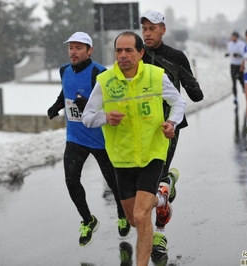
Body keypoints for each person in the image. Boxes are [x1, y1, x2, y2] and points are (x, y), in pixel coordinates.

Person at [82, 31, 186, 266]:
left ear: (140, 53)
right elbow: (87, 117)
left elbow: (178, 102)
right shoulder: (105, 81)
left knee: (141, 215)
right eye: (119, 50)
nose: (123, 55)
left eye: (129, 50)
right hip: (122, 158)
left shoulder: (155, 75)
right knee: (132, 219)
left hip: (152, 153)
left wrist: (172, 122)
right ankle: (162, 196)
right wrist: (105, 117)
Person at [47, 32, 130, 246]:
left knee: (113, 182)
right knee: (71, 180)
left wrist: (92, 107)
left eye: (79, 48)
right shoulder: (64, 70)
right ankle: (88, 220)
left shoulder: (99, 73)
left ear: (89, 50)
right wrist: (56, 106)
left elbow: (115, 104)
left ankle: (122, 214)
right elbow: (66, 91)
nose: (73, 52)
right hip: (75, 137)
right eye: (71, 48)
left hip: (101, 138)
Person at [139, 10, 203, 259]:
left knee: (154, 180)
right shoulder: (136, 55)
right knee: (145, 183)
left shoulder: (175, 57)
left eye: (152, 28)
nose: (147, 33)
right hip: (141, 128)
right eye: (144, 28)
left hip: (169, 126)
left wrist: (193, 88)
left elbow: (192, 88)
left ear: (163, 30)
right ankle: (169, 182)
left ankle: (159, 234)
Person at [225, 31, 245, 105]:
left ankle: (245, 92)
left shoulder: (242, 44)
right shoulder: (229, 43)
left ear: (237, 37)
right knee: (234, 82)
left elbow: (244, 54)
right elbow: (230, 52)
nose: (233, 38)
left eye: (234, 37)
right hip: (233, 65)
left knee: (242, 81)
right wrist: (228, 54)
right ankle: (235, 97)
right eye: (232, 37)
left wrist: (238, 55)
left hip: (240, 66)